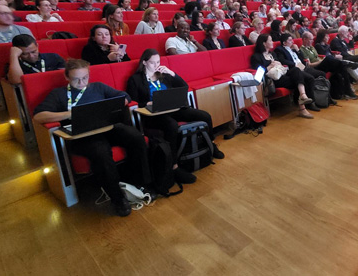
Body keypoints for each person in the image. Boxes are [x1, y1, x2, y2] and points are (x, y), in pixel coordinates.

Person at [33, 59, 151, 217]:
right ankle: (118, 198)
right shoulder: (59, 94)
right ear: (67, 77)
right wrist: (70, 114)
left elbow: (124, 96)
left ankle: (140, 183)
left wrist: (121, 101)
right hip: (82, 136)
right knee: (101, 151)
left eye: (85, 77)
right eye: (76, 79)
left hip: (106, 127)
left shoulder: (98, 87)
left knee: (135, 137)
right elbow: (39, 116)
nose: (82, 82)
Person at [126, 49, 223, 184]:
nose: (156, 65)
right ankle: (174, 166)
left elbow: (184, 86)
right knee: (171, 126)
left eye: (158, 62)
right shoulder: (135, 79)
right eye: (152, 63)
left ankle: (211, 145)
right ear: (144, 62)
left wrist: (171, 73)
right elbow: (135, 101)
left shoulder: (163, 75)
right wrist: (148, 102)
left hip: (171, 108)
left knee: (204, 116)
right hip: (152, 114)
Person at [251, 34, 315, 119]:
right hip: (273, 80)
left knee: (296, 71)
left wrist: (279, 64)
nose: (272, 42)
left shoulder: (272, 54)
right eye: (270, 40)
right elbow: (258, 74)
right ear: (264, 43)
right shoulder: (256, 57)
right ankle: (302, 108)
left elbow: (281, 65)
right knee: (300, 80)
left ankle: (303, 96)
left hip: (282, 73)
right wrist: (270, 66)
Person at [299, 31, 358, 100]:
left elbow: (318, 56)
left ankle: (347, 90)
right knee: (329, 58)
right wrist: (322, 61)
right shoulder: (302, 50)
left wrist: (322, 60)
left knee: (341, 68)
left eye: (312, 39)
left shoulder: (312, 47)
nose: (312, 41)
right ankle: (346, 63)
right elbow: (309, 65)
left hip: (321, 63)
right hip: (315, 67)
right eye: (310, 39)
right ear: (304, 39)